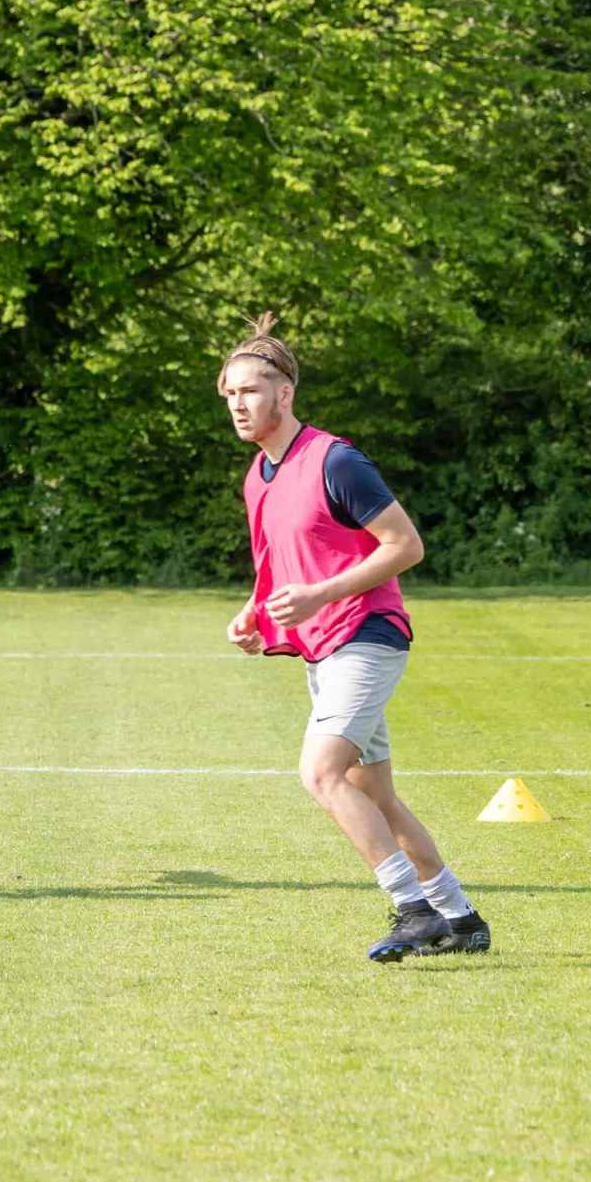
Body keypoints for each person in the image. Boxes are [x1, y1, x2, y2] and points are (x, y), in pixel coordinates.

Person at [219, 313, 490, 961]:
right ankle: (460, 917)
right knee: (375, 795)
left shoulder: (335, 460)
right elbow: (276, 566)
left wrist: (319, 595)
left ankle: (411, 907)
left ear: (285, 393)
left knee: (320, 772)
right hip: (325, 645)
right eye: (228, 394)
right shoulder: (258, 477)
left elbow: (407, 545)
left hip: (367, 635)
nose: (238, 404)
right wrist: (254, 614)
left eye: (250, 390)